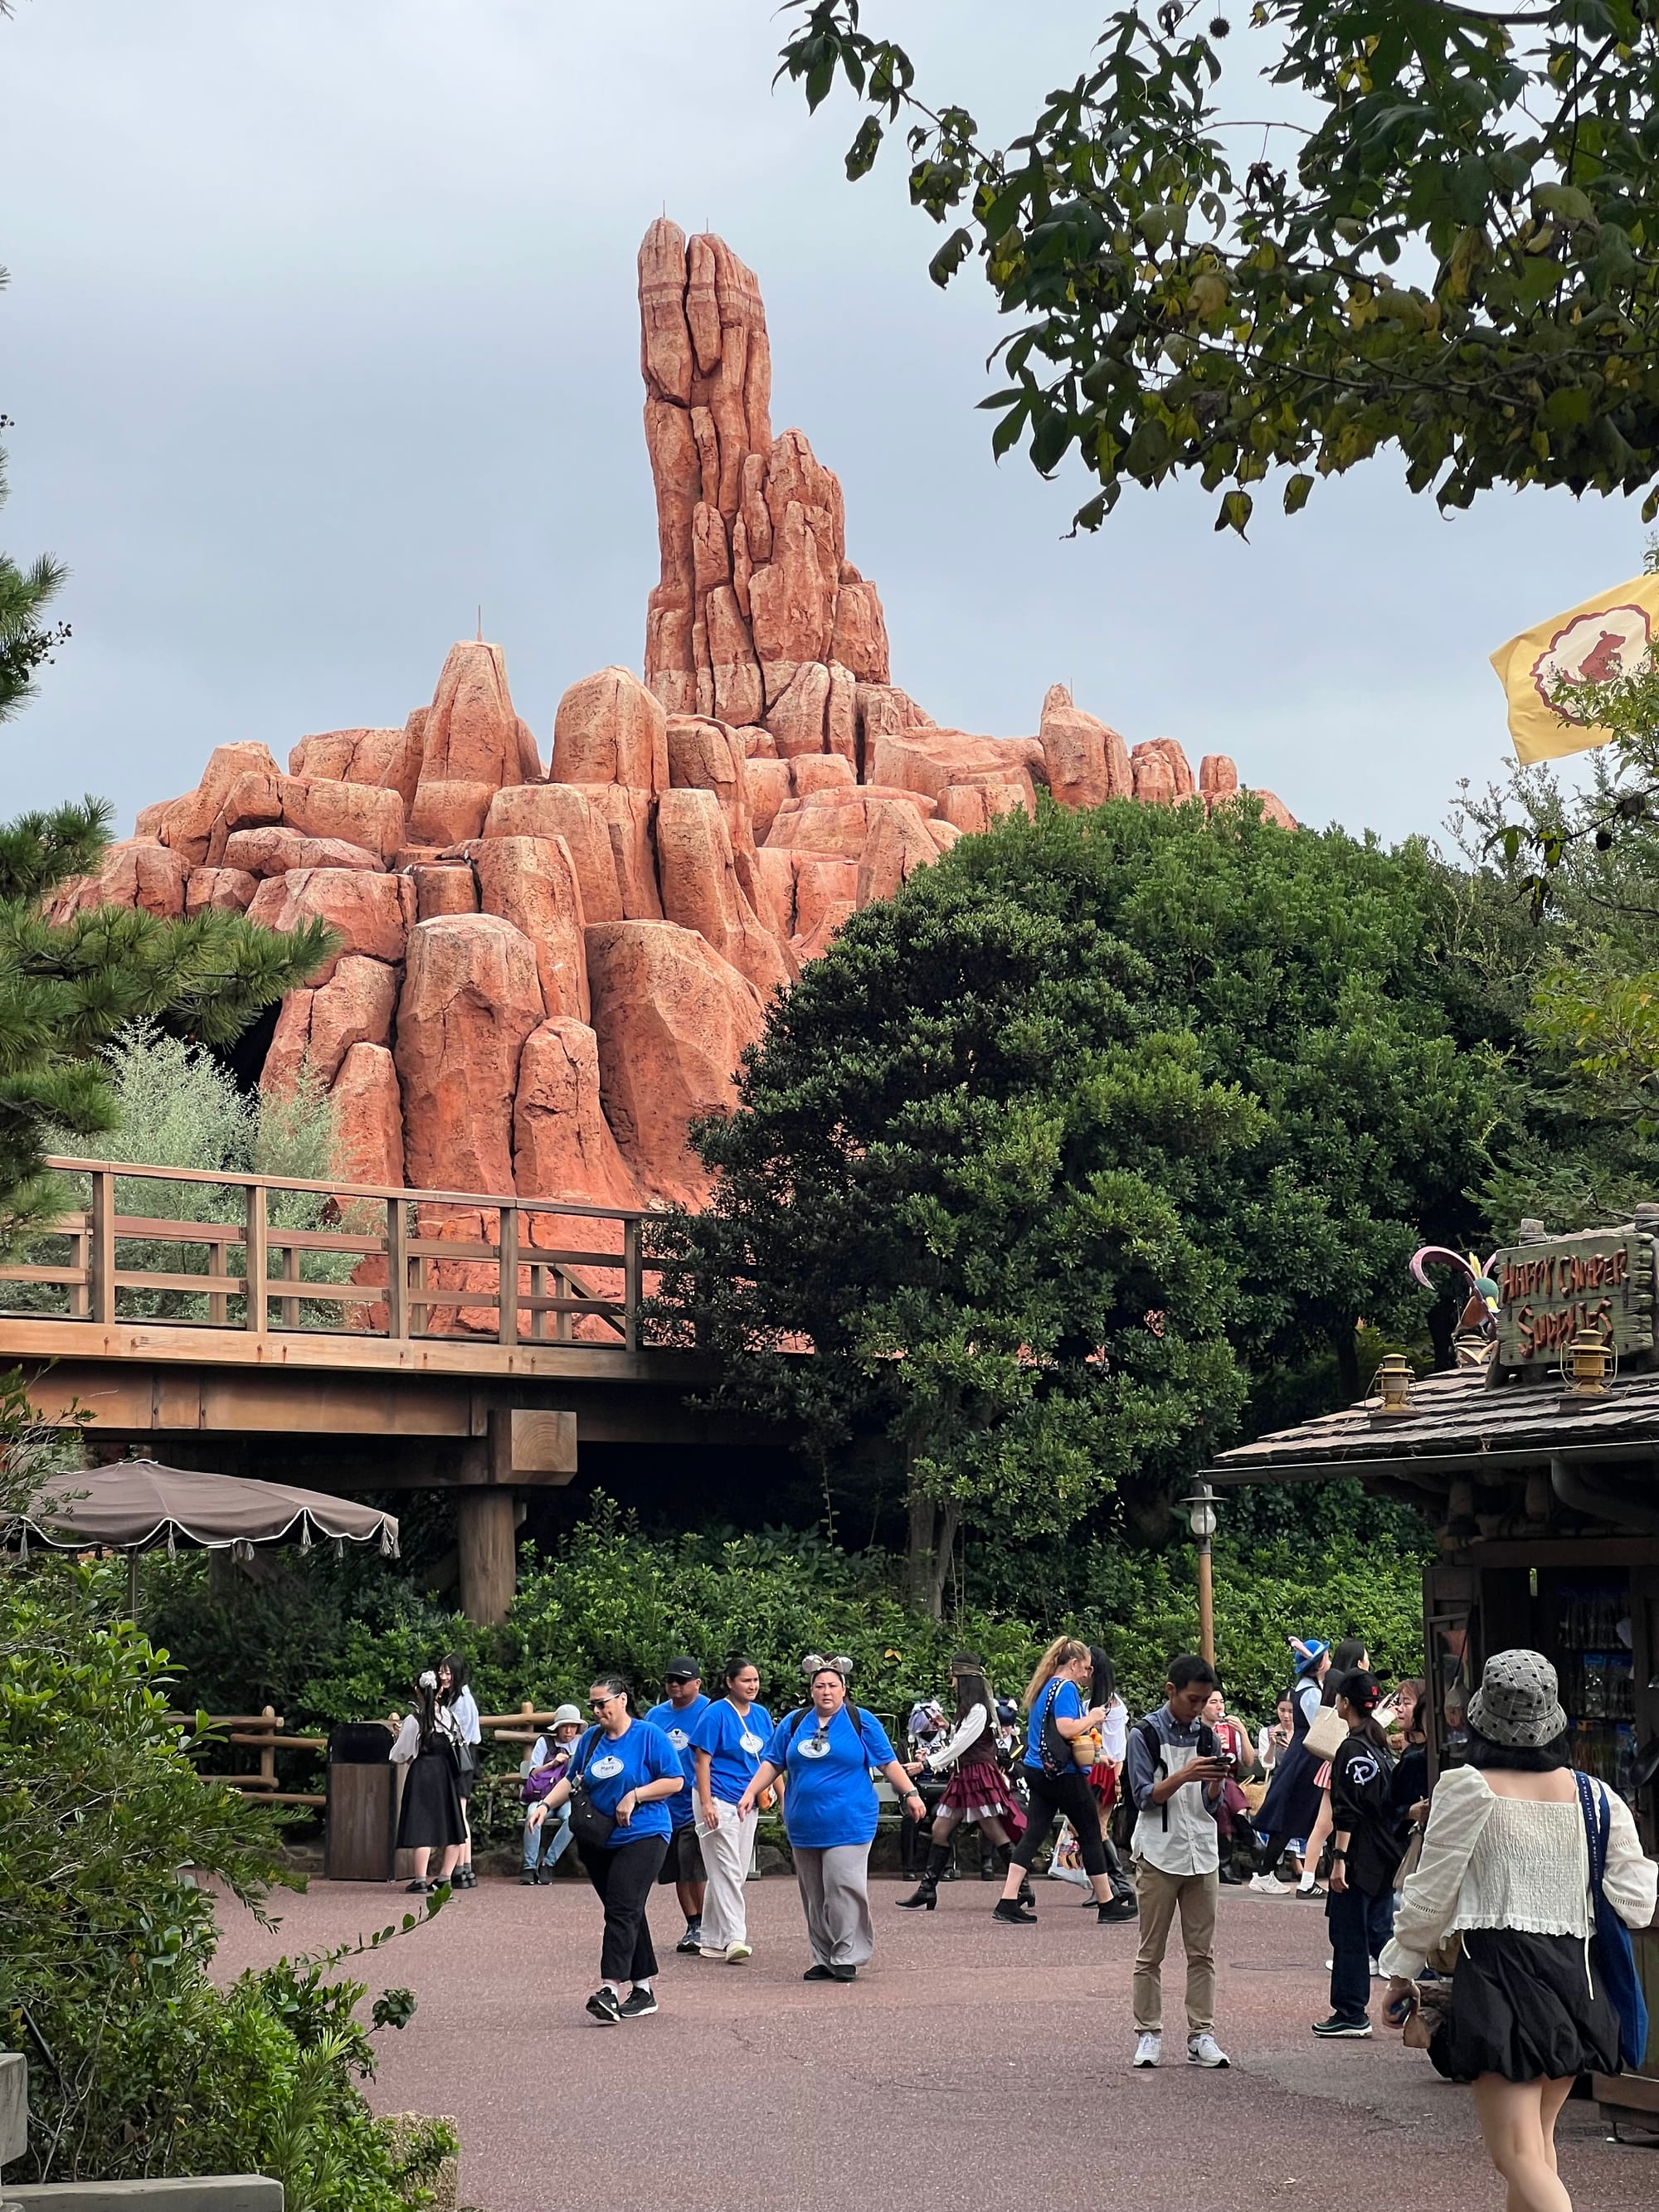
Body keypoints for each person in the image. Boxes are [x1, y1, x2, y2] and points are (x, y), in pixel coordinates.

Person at [1381, 1650, 1657, 2212]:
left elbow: (1429, 1895)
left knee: (1518, 2156)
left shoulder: (1466, 1788)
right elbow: (1637, 1901)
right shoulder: (1596, 1797)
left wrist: (1400, 1971)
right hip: (1576, 1981)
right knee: (1536, 2149)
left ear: (1482, 1717)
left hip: (1499, 1978)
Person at [736, 1659, 922, 1982]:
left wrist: (910, 1793)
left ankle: (847, 1954)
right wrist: (751, 1792)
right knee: (814, 1894)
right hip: (804, 1822)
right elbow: (772, 1762)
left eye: (833, 1686)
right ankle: (823, 1957)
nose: (826, 1691)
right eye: (820, 1686)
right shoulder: (794, 1722)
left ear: (843, 1690)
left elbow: (888, 1762)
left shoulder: (861, 1721)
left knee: (842, 1885)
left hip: (850, 1820)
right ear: (811, 1691)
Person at [528, 1674, 684, 2025]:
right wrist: (544, 1805)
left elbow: (675, 1781)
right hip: (599, 1839)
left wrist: (636, 1795)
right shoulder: (591, 1739)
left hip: (644, 1833)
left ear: (622, 1700)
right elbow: (571, 1779)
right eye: (593, 1705)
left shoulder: (649, 1735)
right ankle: (642, 1990)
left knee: (622, 1908)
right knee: (626, 1909)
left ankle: (609, 1989)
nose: (597, 1711)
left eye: (602, 1704)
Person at [1125, 1653, 1231, 2069]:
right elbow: (1142, 1797)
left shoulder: (1208, 1737)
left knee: (1202, 1952)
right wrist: (1185, 1775)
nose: (1199, 1708)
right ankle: (1148, 2033)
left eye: (1205, 1701)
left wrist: (1215, 1783)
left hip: (1202, 1851)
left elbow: (1212, 1804)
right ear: (1171, 1691)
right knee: (1150, 1952)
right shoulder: (1144, 1734)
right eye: (1192, 1700)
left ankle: (1201, 2034)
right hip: (1158, 1852)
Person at [993, 1636, 1128, 1927]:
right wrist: (1092, 1717)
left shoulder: (1045, 1687)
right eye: (1086, 1668)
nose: (1088, 1674)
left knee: (1033, 1834)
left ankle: (1008, 1900)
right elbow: (1067, 1729)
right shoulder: (1066, 1688)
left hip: (1038, 1770)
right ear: (1074, 1664)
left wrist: (1098, 1756)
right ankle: (1108, 1903)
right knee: (1091, 1832)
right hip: (1064, 1774)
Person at [1313, 1670, 1404, 2039]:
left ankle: (1351, 2012)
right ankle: (1416, 1988)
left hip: (1358, 1855)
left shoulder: (1351, 1749)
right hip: (1384, 1854)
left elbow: (1347, 1809)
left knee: (1349, 1934)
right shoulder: (1379, 1747)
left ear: (1345, 1703)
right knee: (1380, 1932)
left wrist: (1339, 1859)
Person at [898, 1654, 1027, 1910]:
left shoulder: (978, 1710)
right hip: (966, 1775)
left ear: (964, 1679)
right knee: (940, 1829)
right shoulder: (970, 1710)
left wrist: (925, 1764)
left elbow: (959, 1746)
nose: (951, 1681)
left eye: (954, 1676)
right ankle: (927, 1890)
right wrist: (948, 1727)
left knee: (994, 1831)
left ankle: (1023, 1887)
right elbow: (961, 1740)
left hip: (977, 1775)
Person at [690, 1655, 774, 1963]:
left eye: (755, 1680)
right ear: (729, 1682)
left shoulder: (761, 1715)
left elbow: (772, 1760)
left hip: (747, 1800)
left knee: (732, 1871)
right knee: (727, 1868)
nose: (752, 1686)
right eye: (745, 1680)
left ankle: (712, 1939)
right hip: (718, 1797)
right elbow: (702, 1761)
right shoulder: (715, 1714)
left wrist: (783, 1796)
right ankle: (736, 1937)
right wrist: (706, 1803)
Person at [1249, 1635, 1331, 1895]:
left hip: (1303, 1756)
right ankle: (1266, 1873)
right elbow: (1321, 1727)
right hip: (1308, 1758)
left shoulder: (1306, 1688)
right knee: (1292, 1816)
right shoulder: (1311, 1692)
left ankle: (1266, 1872)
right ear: (1319, 1663)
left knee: (1290, 1816)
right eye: (1326, 1656)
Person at [1292, 1636, 1370, 1902]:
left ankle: (1308, 1879)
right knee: (1326, 1823)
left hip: (1332, 1760)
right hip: (1341, 1760)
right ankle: (1310, 1880)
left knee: (1324, 1823)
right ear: (1359, 1661)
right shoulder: (1351, 1685)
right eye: (1366, 1657)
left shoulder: (1333, 1680)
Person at [644, 1657, 711, 1955]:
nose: (674, 1685)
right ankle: (693, 1924)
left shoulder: (710, 1711)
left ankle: (708, 1923)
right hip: (664, 1805)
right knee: (677, 1869)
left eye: (681, 1680)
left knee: (694, 1867)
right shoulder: (655, 1716)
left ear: (697, 1683)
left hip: (697, 1800)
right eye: (670, 1679)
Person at [390, 1670, 466, 1894]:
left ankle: (420, 1880)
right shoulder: (449, 1717)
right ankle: (445, 1877)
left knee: (422, 1824)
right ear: (440, 1689)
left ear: (417, 1691)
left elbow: (399, 1755)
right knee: (452, 1824)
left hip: (422, 1773)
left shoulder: (413, 1720)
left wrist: (398, 1738)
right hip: (445, 1773)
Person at [520, 1703, 583, 1886]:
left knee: (572, 1818)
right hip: (542, 1796)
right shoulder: (544, 1742)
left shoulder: (581, 1743)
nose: (569, 1731)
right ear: (557, 1727)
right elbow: (533, 1773)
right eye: (565, 1726)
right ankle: (529, 1867)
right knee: (532, 1815)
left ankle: (548, 1863)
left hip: (568, 1798)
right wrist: (552, 1764)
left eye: (573, 1726)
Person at [1201, 1685, 1257, 1884]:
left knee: (1224, 1801)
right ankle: (1252, 1840)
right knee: (1226, 1788)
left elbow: (1249, 1762)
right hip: (1203, 1782)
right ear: (1202, 1707)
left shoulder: (1230, 1730)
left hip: (1225, 1784)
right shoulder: (1196, 1730)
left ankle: (1224, 1866)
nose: (1219, 1707)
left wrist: (1242, 1731)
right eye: (1213, 1702)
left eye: (1222, 1702)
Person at [438, 1654, 482, 1889]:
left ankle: (462, 1867)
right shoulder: (457, 1696)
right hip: (463, 1756)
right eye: (441, 1672)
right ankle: (464, 1867)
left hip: (460, 1756)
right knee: (460, 1812)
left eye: (448, 1672)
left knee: (459, 1813)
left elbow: (459, 1734)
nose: (444, 1676)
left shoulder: (462, 1700)